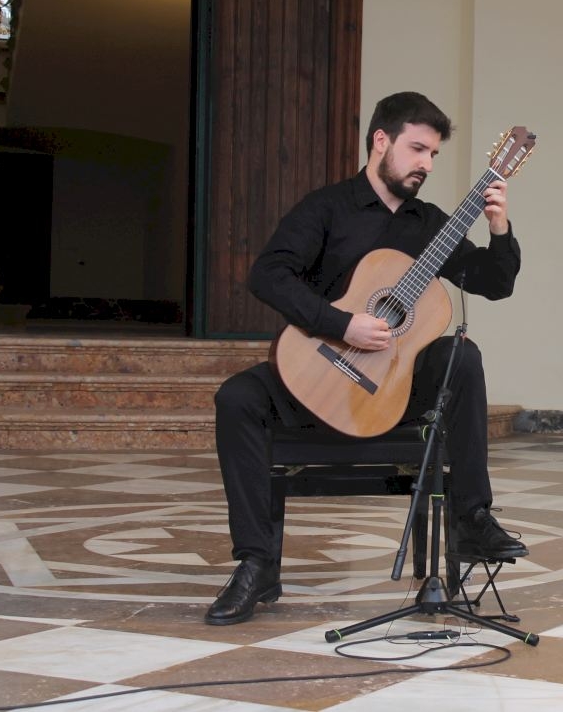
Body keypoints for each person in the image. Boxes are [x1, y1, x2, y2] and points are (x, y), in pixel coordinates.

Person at [205, 91, 527, 626]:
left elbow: (494, 284)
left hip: (389, 392)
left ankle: (473, 516)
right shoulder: (326, 208)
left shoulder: (431, 224)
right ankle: (255, 563)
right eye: (417, 149)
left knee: (459, 355)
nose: (426, 163)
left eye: (434, 155)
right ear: (382, 141)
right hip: (315, 374)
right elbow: (268, 274)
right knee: (236, 396)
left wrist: (499, 229)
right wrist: (342, 323)